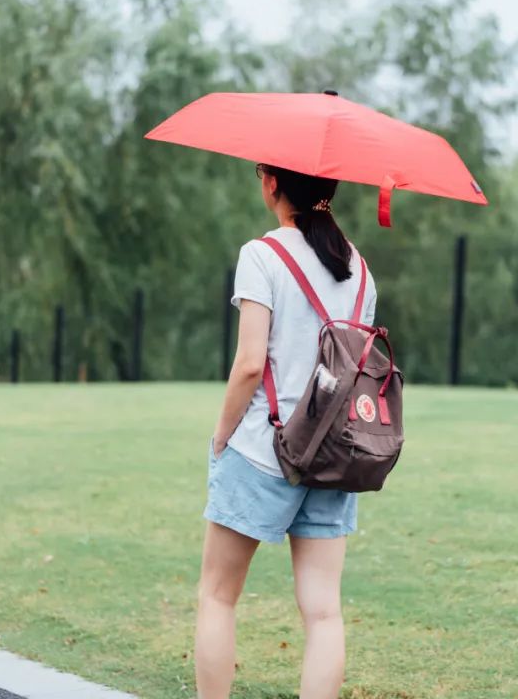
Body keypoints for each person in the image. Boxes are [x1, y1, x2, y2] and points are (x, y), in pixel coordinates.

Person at [194, 162, 377, 699]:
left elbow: (250, 363)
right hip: (334, 457)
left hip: (261, 450)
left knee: (218, 597)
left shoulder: (261, 255)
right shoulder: (361, 271)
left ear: (273, 183)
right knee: (323, 614)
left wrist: (220, 435)